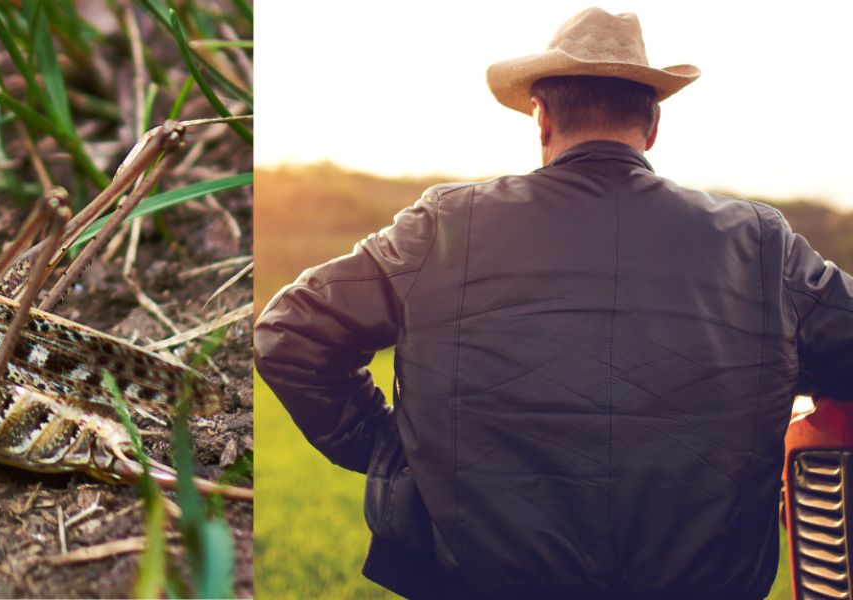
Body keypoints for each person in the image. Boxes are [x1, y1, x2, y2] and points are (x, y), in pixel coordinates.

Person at [253, 7, 853, 599]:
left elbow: (290, 333)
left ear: (540, 119)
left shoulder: (445, 227)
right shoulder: (760, 242)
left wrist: (392, 454)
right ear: (652, 127)